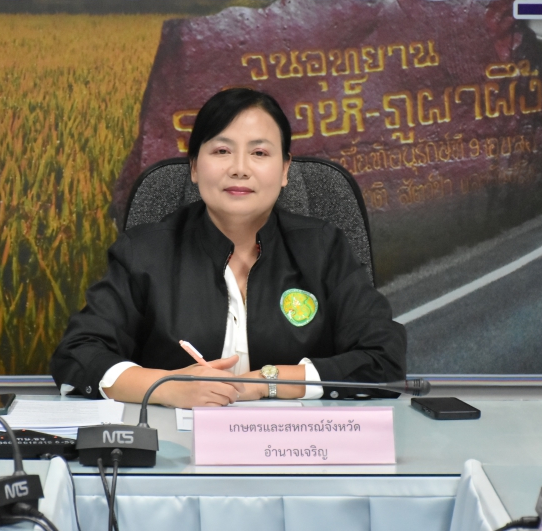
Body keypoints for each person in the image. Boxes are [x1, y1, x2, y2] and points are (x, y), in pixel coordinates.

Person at [50, 88, 406, 409]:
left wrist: (267, 383)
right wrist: (167, 387)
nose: (239, 169)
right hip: (175, 447)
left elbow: (383, 358)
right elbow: (78, 354)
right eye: (222, 151)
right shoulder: (144, 253)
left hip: (301, 446)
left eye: (259, 152)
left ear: (285, 170)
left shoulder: (323, 249)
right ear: (194, 167)